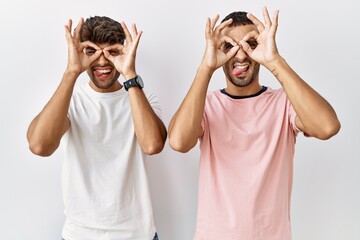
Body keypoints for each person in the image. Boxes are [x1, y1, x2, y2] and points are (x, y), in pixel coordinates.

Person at [168, 7, 341, 240]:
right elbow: (179, 142)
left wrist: (275, 60)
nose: (240, 56)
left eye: (251, 44)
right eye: (229, 46)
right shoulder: (207, 105)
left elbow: (327, 127)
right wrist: (206, 67)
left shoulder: (283, 103)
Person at [27, 16, 166, 240]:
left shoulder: (142, 97)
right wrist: (72, 71)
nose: (102, 62)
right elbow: (39, 146)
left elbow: (152, 145)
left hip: (137, 235)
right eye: (92, 52)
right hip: (79, 234)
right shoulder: (70, 100)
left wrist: (130, 74)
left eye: (112, 52)